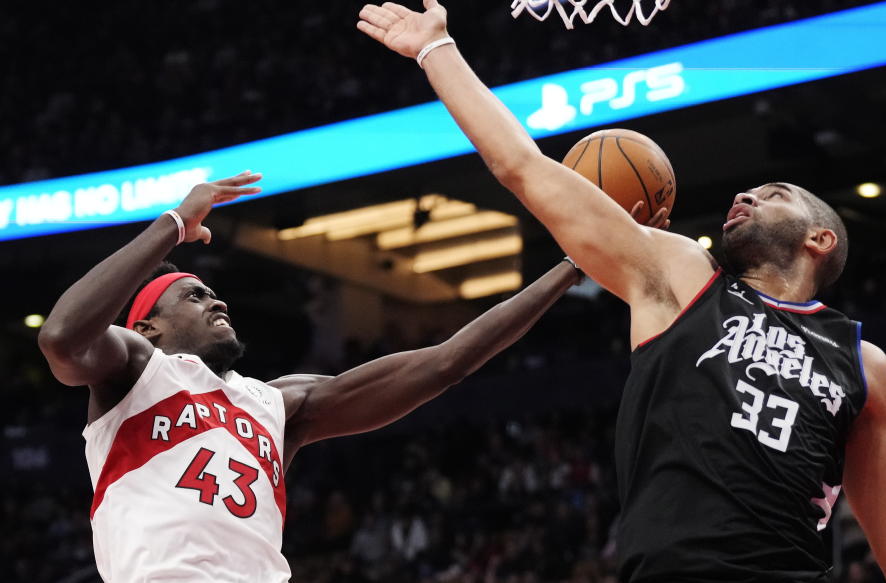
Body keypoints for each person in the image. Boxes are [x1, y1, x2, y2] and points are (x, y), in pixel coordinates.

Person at [357, 0, 886, 581]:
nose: (744, 195)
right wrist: (436, 48)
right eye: (746, 193)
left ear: (820, 239)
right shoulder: (680, 276)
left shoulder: (862, 363)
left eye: (774, 195)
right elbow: (524, 167)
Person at [37, 171, 669, 582]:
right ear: (147, 328)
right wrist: (172, 226)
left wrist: (571, 265)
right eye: (196, 296)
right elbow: (62, 337)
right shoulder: (134, 371)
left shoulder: (278, 403)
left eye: (215, 294)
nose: (218, 302)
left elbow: (446, 361)